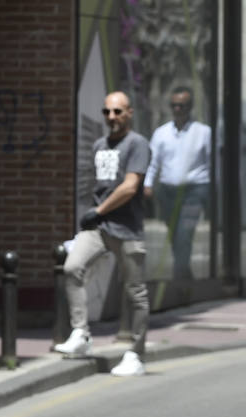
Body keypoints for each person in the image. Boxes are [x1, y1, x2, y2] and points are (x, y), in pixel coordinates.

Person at [55, 90, 151, 377]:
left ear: (129, 113)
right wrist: (95, 214)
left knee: (135, 293)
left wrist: (98, 210)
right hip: (99, 228)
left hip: (127, 228)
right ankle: (81, 333)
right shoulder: (99, 145)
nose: (112, 117)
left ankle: (135, 354)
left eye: (117, 111)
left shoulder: (137, 144)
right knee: (72, 267)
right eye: (107, 111)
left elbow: (130, 187)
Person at [144, 86, 212, 281]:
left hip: (194, 190)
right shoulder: (161, 133)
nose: (177, 109)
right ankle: (185, 274)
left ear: (190, 107)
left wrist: (211, 189)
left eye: (182, 106)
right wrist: (148, 184)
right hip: (168, 191)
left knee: (184, 233)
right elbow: (153, 162)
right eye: (174, 105)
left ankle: (179, 279)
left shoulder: (203, 132)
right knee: (174, 235)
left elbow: (211, 162)